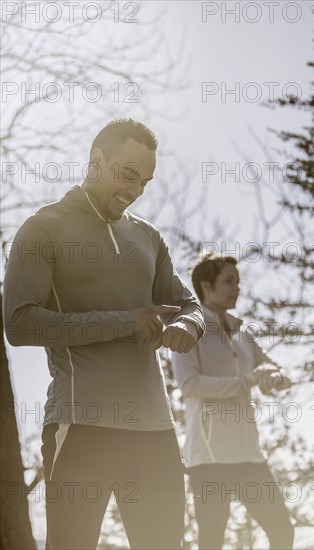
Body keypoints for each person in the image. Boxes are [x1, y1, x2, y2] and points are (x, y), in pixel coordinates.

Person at [3, 118, 205, 550]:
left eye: (146, 181)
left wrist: (189, 324)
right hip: (80, 428)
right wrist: (125, 320)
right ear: (96, 160)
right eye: (128, 174)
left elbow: (189, 304)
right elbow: (19, 325)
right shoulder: (42, 230)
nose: (136, 190)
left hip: (155, 433)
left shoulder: (149, 237)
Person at [172, 254, 295, 550]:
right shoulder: (190, 328)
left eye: (238, 282)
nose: (236, 288)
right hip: (208, 459)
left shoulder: (243, 334)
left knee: (282, 531)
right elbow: (189, 385)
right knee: (212, 541)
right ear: (206, 285)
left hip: (249, 456)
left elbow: (280, 374)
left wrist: (273, 375)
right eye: (229, 281)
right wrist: (249, 381)